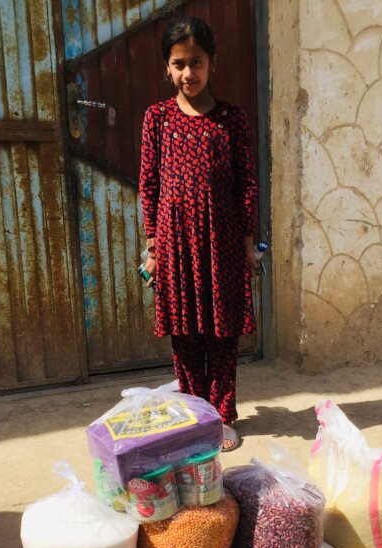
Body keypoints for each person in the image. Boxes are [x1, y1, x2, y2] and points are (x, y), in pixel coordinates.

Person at [138, 16, 260, 453]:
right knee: (186, 333)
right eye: (179, 64)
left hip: (222, 243)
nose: (188, 73)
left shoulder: (231, 120)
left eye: (197, 62)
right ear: (167, 67)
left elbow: (246, 183)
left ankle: (222, 417)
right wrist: (154, 247)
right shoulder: (158, 119)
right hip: (176, 245)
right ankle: (193, 416)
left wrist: (248, 243)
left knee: (222, 333)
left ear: (212, 63)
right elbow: (149, 184)